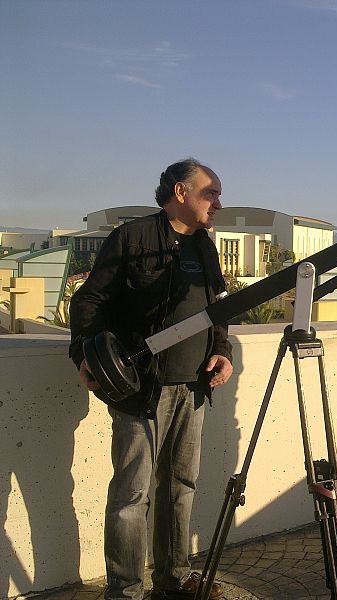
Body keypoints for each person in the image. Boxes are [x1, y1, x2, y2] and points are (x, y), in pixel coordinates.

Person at [69, 159, 234, 600]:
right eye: (210, 193)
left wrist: (221, 350)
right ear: (180, 193)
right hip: (142, 390)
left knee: (181, 487)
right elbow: (90, 301)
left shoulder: (204, 246)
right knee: (131, 495)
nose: (218, 202)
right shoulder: (132, 238)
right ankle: (124, 590)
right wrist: (83, 352)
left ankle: (175, 577)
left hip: (194, 389)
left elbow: (216, 307)